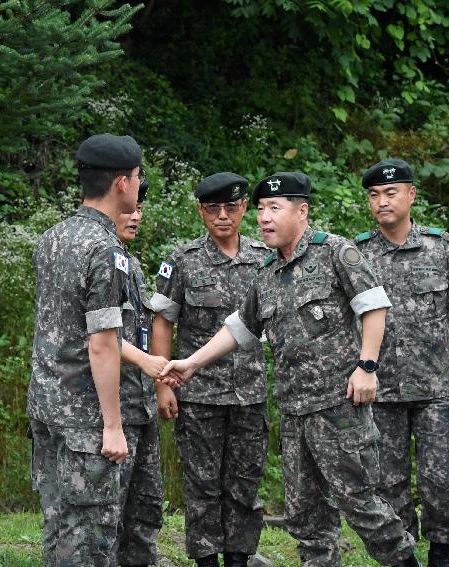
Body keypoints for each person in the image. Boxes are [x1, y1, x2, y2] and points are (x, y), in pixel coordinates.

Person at [160, 171, 418, 567]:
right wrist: (191, 363)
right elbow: (239, 328)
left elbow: (373, 305)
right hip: (294, 413)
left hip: (339, 408)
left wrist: (367, 366)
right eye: (261, 209)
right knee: (305, 514)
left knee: (361, 502)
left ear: (302, 211)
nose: (264, 218)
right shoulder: (265, 274)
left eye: (274, 209)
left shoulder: (335, 252)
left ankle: (404, 562)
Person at [354, 159, 449, 567]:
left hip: (435, 387)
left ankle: (442, 552)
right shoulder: (357, 254)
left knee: (439, 477)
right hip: (382, 388)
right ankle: (402, 555)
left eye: (391, 193)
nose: (382, 202)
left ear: (411, 196)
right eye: (374, 195)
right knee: (389, 480)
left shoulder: (442, 247)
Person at [27, 133, 143, 567]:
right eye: (136, 177)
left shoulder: (52, 237)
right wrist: (112, 426)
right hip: (82, 419)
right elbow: (102, 343)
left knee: (58, 525)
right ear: (121, 184)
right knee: (89, 536)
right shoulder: (105, 249)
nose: (137, 185)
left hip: (46, 405)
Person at [149, 173, 270, 567]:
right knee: (202, 485)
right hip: (199, 394)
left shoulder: (264, 259)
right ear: (201, 211)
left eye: (231, 207)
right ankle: (205, 560)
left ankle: (238, 558)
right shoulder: (181, 262)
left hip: (250, 393)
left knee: (245, 483)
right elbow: (163, 322)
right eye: (213, 208)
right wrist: (163, 385)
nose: (222, 216)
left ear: (244, 209)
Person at [113, 179, 164, 567]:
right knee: (108, 517)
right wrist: (149, 364)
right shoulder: (102, 260)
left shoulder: (131, 264)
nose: (136, 216)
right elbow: (95, 337)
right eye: (129, 209)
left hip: (141, 406)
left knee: (145, 511)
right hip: (112, 412)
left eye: (140, 210)